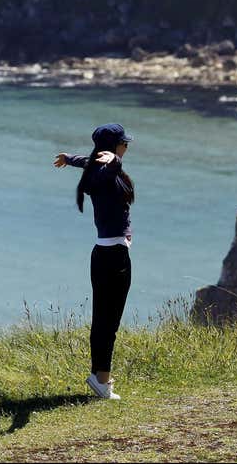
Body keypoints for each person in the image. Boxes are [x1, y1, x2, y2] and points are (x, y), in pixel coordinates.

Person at [53, 123, 136, 400]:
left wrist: (69, 159)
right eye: (123, 144)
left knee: (104, 320)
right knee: (108, 321)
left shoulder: (97, 170)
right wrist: (114, 163)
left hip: (105, 254)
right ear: (114, 147)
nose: (126, 147)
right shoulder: (105, 174)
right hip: (114, 257)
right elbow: (104, 169)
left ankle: (101, 378)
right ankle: (101, 380)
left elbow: (89, 162)